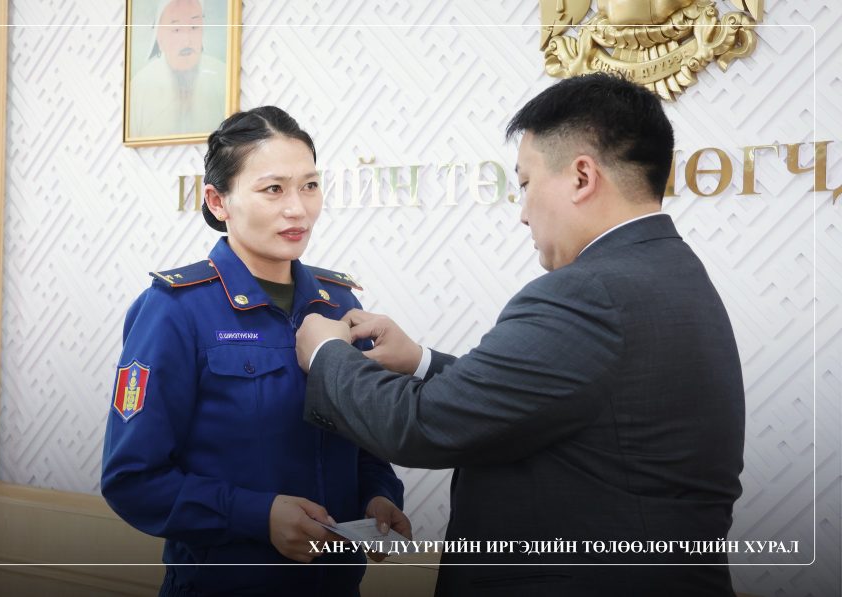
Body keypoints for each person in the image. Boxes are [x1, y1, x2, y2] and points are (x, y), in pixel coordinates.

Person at [295, 73, 745, 596]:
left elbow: (426, 426)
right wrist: (420, 361)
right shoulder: (671, 270)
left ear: (582, 177)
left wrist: (327, 353)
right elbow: (549, 397)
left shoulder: (588, 292)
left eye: (527, 184)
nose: (523, 213)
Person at [102, 105, 410, 596]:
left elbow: (363, 447)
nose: (298, 209)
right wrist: (257, 515)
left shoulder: (340, 304)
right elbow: (132, 479)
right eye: (273, 189)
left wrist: (378, 496)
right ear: (218, 201)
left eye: (310, 185)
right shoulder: (174, 310)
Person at [128, 0, 226, 138]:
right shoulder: (139, 86)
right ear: (159, 36)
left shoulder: (222, 76)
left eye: (194, 27)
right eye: (176, 29)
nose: (186, 41)